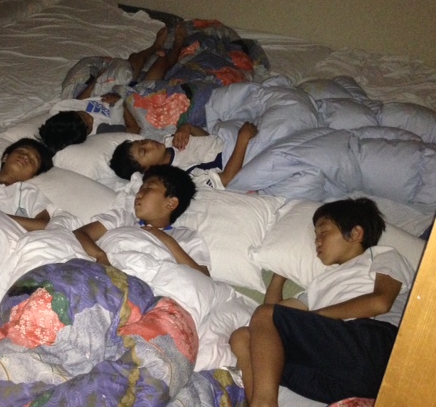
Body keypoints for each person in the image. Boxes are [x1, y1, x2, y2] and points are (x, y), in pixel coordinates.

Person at [229, 197, 415, 406]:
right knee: (242, 337)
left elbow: (380, 302)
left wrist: (316, 317)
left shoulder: (383, 255)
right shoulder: (319, 284)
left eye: (324, 232)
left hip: (371, 350)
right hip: (340, 379)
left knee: (266, 316)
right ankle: (259, 400)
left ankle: (264, 402)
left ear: (355, 233)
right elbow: (270, 317)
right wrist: (279, 276)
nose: (317, 241)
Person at [38, 24, 187, 152]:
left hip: (118, 87)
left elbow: (82, 98)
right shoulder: (101, 131)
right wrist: (120, 103)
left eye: (82, 115)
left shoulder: (71, 110)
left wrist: (99, 77)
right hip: (133, 100)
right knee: (161, 63)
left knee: (135, 59)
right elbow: (134, 130)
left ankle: (155, 46)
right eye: (88, 124)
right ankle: (178, 45)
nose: (89, 117)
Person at [73, 164, 208, 276]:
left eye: (148, 188)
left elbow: (203, 280)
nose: (138, 194)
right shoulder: (122, 219)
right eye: (140, 189)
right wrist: (101, 256)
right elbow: (80, 234)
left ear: (171, 203)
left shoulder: (187, 237)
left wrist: (166, 239)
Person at [110, 120, 258, 187]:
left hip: (229, 138)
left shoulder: (169, 141)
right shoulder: (182, 174)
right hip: (239, 155)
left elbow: (208, 141)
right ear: (146, 170)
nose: (149, 144)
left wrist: (188, 128)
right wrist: (243, 139)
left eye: (142, 142)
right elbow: (226, 179)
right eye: (144, 151)